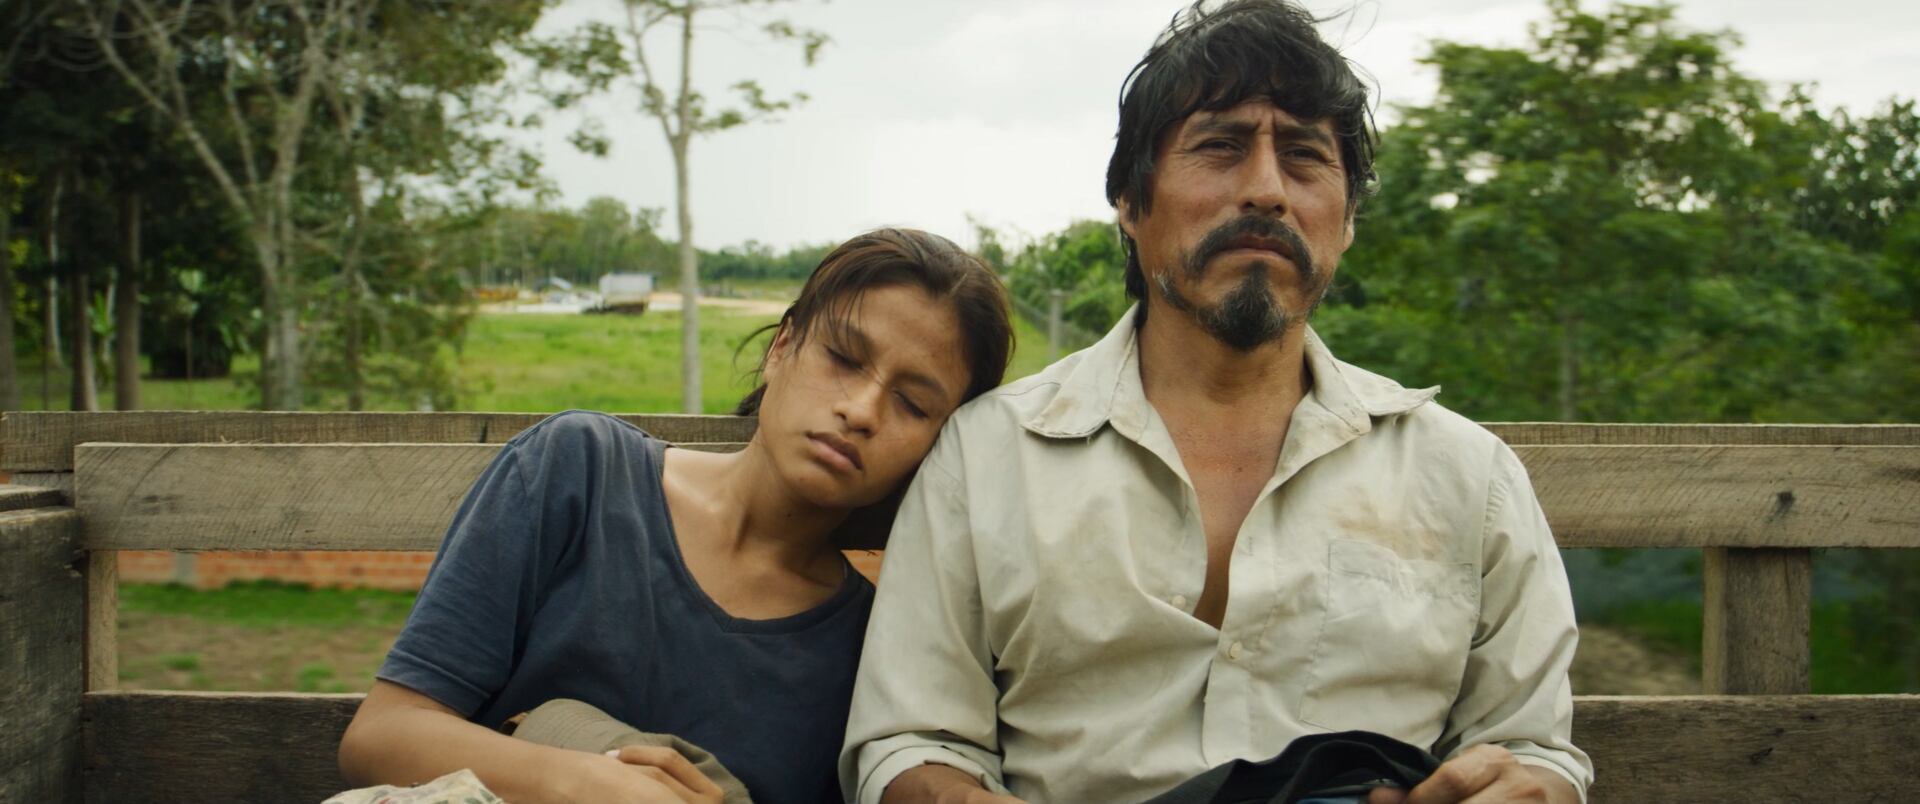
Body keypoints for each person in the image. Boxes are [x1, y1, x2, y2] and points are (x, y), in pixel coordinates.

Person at [838, 3, 1592, 803]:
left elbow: (1530, 745)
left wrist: (1524, 784)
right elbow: (913, 737)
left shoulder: (1468, 479)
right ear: (1131, 203)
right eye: (1221, 147)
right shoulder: (989, 457)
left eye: (1305, 158)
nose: (1266, 189)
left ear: (1346, 224)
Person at [337, 228, 1013, 804]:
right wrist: (589, 783)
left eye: (913, 405)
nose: (861, 410)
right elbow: (380, 738)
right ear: (782, 348)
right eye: (842, 358)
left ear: (938, 444)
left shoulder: (872, 647)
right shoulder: (580, 473)